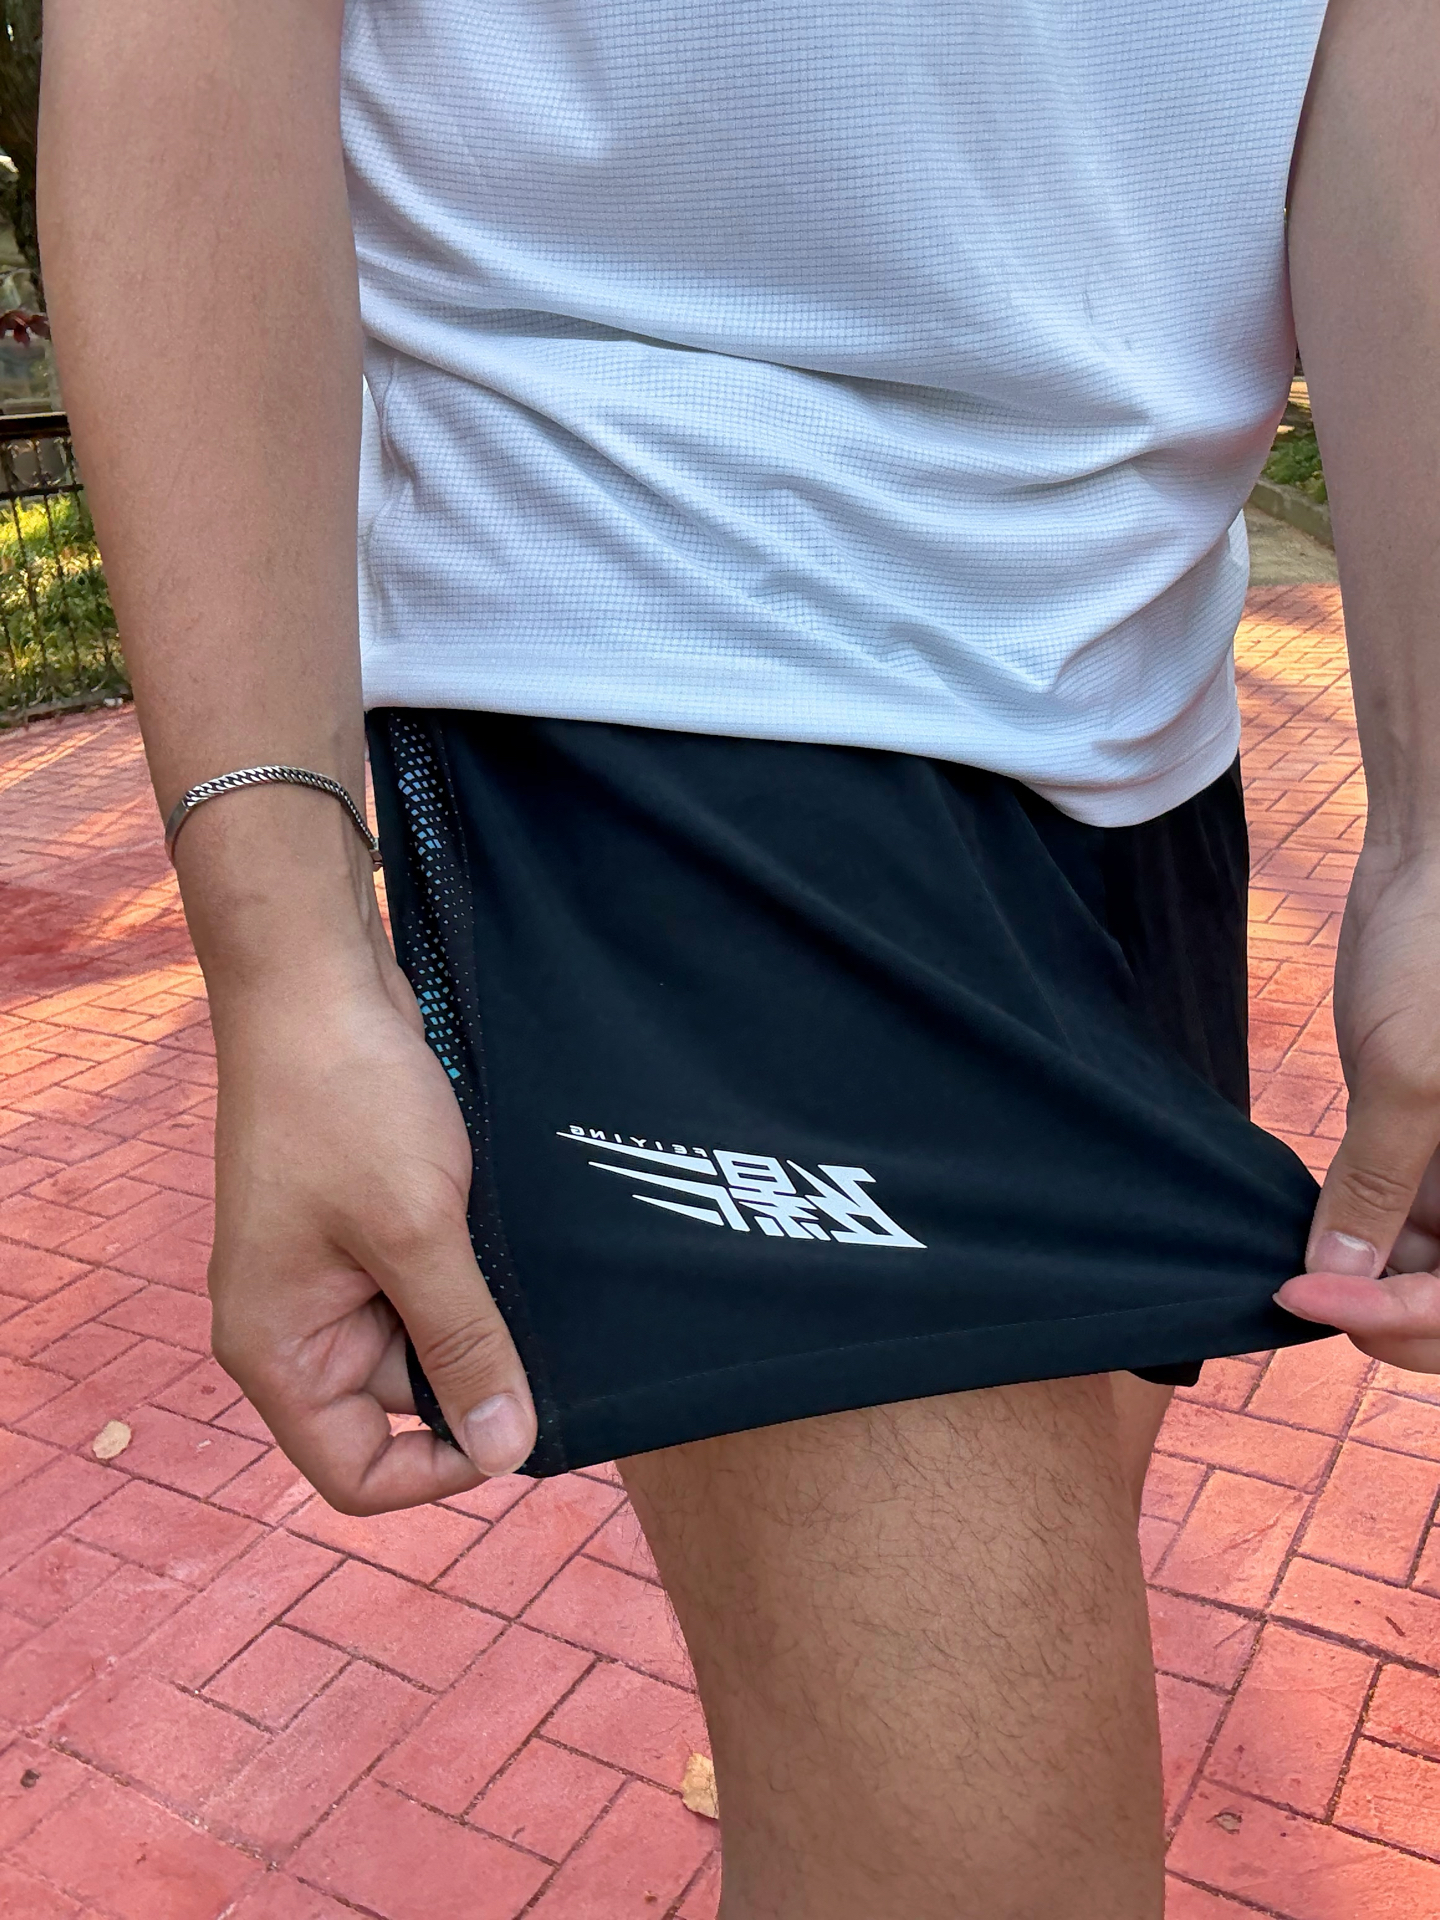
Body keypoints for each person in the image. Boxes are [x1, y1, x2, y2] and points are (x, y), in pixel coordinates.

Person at [39, 1, 1440, 1913]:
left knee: (918, 1762)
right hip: (653, 632)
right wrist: (286, 949)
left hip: (1135, 730)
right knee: (985, 1848)